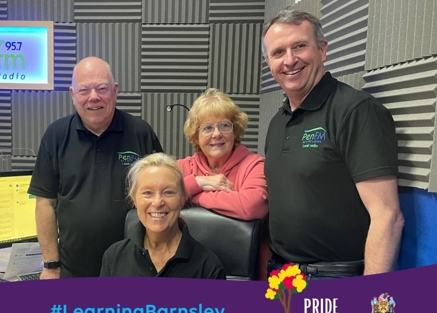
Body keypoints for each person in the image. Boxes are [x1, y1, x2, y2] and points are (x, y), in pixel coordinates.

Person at [262, 9, 404, 279]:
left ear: (322, 50)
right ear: (270, 63)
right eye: (278, 52)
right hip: (282, 276)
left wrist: (369, 301)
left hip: (335, 278)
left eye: (300, 46)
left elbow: (388, 217)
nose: (290, 60)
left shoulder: (357, 111)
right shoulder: (278, 122)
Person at [28, 57, 164, 279]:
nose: (94, 97)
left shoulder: (141, 133)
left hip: (134, 269)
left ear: (115, 91)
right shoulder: (56, 135)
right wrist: (51, 265)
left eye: (102, 88)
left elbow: (162, 198)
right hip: (73, 270)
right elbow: (45, 204)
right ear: (73, 95)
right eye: (84, 90)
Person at [100, 152, 226, 279]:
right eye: (147, 193)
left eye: (168, 192)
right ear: (134, 199)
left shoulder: (209, 267)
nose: (157, 202)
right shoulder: (114, 257)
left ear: (183, 198)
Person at [178, 88, 268, 220]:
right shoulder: (183, 167)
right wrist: (198, 182)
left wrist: (193, 196)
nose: (217, 134)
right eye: (208, 128)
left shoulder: (255, 166)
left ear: (235, 130)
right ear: (196, 136)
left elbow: (251, 207)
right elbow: (158, 196)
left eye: (224, 125)